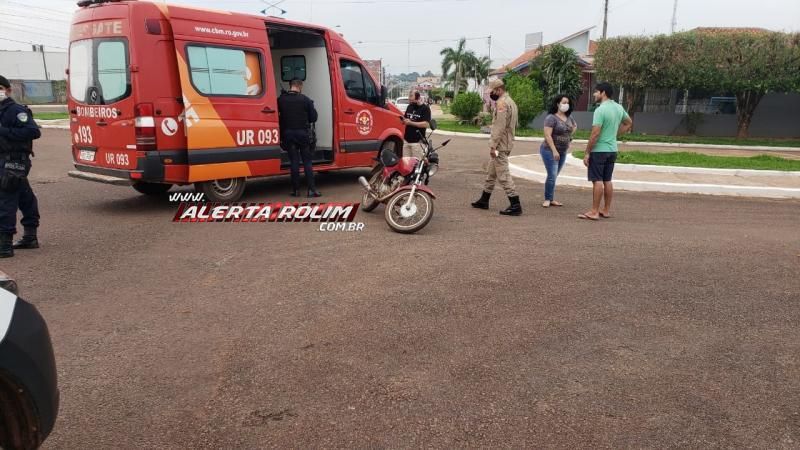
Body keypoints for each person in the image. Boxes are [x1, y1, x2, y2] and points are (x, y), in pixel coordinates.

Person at [579, 82, 633, 220]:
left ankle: (594, 211)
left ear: (603, 93)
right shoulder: (618, 107)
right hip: (612, 150)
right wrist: (615, 135)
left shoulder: (600, 110)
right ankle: (606, 210)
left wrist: (587, 152)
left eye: (596, 92)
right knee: (607, 180)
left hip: (599, 151)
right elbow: (628, 123)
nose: (594, 94)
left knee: (597, 180)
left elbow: (595, 133)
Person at [0, 75, 41, 258]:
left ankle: (5, 245)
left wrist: (3, 131)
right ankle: (30, 237)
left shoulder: (15, 110)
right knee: (24, 196)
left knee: (6, 200)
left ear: (7, 90)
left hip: (14, 161)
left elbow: (33, 131)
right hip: (5, 160)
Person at [471, 79, 521, 216]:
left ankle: (515, 204)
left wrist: (493, 146)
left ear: (499, 90)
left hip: (501, 144)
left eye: (492, 92)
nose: (491, 95)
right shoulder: (511, 101)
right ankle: (484, 200)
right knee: (491, 173)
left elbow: (499, 127)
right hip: (507, 141)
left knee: (503, 175)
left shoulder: (501, 104)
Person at [278, 79, 320, 197]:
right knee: (307, 162)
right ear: (300, 86)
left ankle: (296, 190)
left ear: (290, 86)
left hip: (288, 135)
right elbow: (313, 118)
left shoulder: (281, 99)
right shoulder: (306, 100)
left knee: (294, 162)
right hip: (302, 134)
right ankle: (311, 190)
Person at [540, 94, 577, 208]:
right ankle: (547, 199)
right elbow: (547, 135)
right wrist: (554, 151)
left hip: (563, 151)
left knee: (555, 175)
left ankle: (551, 198)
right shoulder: (551, 118)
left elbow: (574, 126)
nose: (566, 105)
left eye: (567, 103)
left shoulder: (569, 117)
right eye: (564, 102)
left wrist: (569, 138)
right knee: (552, 174)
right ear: (558, 104)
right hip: (549, 150)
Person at [401, 89, 431, 160]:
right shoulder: (409, 107)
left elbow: (425, 124)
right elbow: (406, 119)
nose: (409, 98)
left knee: (416, 164)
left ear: (417, 97)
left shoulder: (425, 109)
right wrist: (403, 121)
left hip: (417, 142)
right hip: (406, 140)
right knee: (406, 163)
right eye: (409, 96)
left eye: (411, 96)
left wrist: (410, 123)